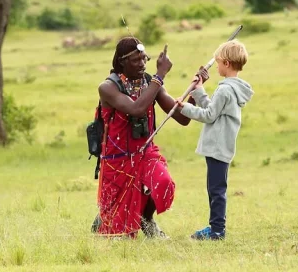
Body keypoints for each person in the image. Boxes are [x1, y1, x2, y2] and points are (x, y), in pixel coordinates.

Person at [92, 37, 206, 239]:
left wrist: (195, 90)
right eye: (136, 60)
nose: (142, 64)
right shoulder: (108, 87)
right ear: (121, 62)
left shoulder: (150, 83)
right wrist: (160, 75)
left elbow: (181, 118)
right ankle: (104, 217)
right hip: (117, 158)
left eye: (144, 59)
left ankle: (147, 219)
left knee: (163, 183)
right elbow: (136, 109)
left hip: (145, 152)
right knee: (119, 233)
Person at [175, 40, 253, 240]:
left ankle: (217, 231)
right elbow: (214, 110)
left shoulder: (225, 89)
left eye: (218, 63)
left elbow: (209, 115)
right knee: (215, 188)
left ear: (226, 63)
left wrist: (183, 108)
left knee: (216, 190)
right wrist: (199, 91)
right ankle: (215, 227)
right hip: (222, 145)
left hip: (218, 147)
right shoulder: (232, 88)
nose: (216, 66)